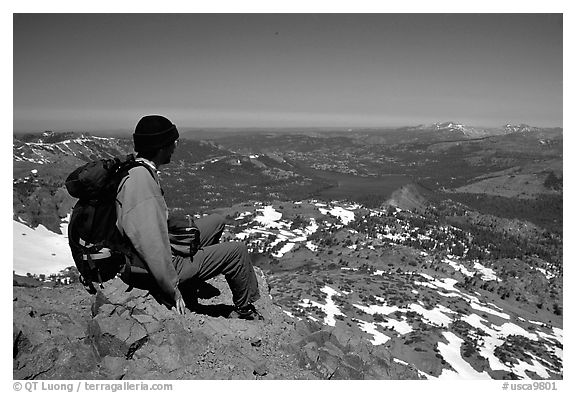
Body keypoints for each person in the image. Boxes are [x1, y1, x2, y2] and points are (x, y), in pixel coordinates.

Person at [115, 114, 262, 320]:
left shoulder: (138, 170)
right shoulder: (141, 184)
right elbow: (150, 245)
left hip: (161, 248)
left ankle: (193, 281)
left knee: (216, 222)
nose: (175, 145)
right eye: (172, 141)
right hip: (154, 266)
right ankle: (244, 310)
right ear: (160, 146)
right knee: (237, 251)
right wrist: (172, 288)